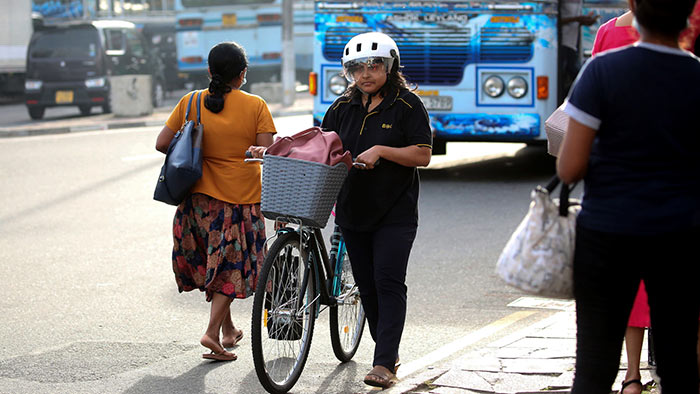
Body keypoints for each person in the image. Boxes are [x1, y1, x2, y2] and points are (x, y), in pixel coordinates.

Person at [556, 0, 700, 392]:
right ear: (688, 14)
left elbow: (569, 168)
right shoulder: (696, 74)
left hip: (607, 234)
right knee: (681, 360)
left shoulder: (602, 71)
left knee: (594, 364)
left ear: (633, 7)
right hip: (681, 236)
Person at [320, 32, 432, 388]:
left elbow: (423, 154)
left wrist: (382, 150)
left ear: (390, 66)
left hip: (395, 211)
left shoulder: (408, 105)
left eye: (374, 65)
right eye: (357, 68)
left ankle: (384, 361)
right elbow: (322, 148)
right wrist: (277, 150)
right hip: (352, 209)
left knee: (387, 280)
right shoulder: (341, 108)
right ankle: (388, 347)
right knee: (367, 287)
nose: (365, 73)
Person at [155, 42, 276, 362]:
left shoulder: (190, 102)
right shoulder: (256, 106)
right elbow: (268, 153)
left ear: (209, 71)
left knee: (214, 265)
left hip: (195, 203)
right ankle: (211, 333)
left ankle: (228, 330)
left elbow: (162, 143)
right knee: (229, 271)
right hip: (238, 203)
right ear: (243, 74)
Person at [590, 11, 647, 394]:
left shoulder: (608, 35)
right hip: (682, 192)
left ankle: (630, 376)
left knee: (626, 285)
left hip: (621, 186)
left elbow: (578, 134)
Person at [559, 0, 599, 100]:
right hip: (562, 43)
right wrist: (577, 19)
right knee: (576, 77)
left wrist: (583, 21)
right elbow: (554, 19)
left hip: (571, 44)